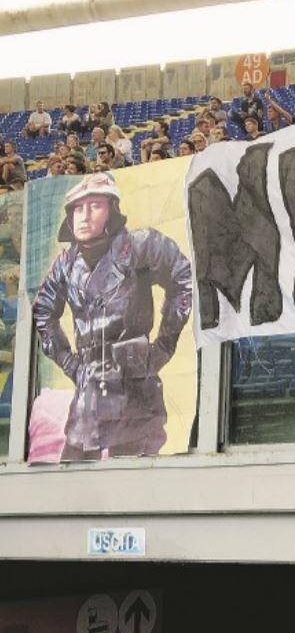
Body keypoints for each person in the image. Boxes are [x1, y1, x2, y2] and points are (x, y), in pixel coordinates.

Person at [33, 173, 193, 459]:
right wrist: (70, 364)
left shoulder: (142, 245)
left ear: (112, 211)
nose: (84, 215)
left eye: (95, 205)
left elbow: (182, 277)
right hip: (88, 397)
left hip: (135, 392)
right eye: (77, 208)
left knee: (134, 485)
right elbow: (43, 311)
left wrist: (165, 345)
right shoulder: (66, 264)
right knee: (72, 475)